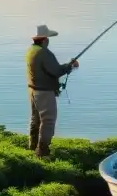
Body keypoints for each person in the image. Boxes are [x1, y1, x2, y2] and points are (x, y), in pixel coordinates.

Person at [25, 24, 79, 158]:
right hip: (44, 93)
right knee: (48, 121)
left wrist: (67, 65)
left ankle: (32, 146)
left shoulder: (31, 50)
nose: (48, 41)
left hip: (32, 91)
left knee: (35, 119)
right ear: (44, 40)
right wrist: (70, 66)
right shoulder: (44, 53)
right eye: (48, 38)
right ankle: (43, 152)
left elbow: (50, 69)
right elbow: (56, 71)